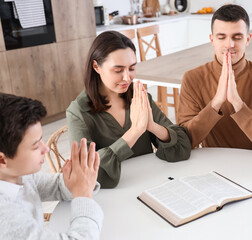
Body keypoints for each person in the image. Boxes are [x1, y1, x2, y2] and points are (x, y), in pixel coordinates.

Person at [66, 31, 191, 189]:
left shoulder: (139, 97)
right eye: (118, 70)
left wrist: (152, 126)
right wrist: (135, 131)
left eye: (132, 68)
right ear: (96, 66)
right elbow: (84, 172)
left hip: (151, 183)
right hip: (112, 197)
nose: (127, 77)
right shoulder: (78, 111)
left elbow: (182, 147)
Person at [177, 4, 252, 155]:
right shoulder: (192, 79)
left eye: (237, 37)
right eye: (221, 37)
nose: (229, 45)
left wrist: (237, 103)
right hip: (213, 164)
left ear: (248, 39)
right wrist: (216, 103)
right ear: (212, 40)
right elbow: (184, 142)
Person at [0, 93, 103, 239]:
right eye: (36, 146)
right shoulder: (7, 220)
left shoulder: (18, 176)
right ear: (2, 160)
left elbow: (56, 186)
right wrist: (83, 196)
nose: (46, 149)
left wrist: (79, 181)